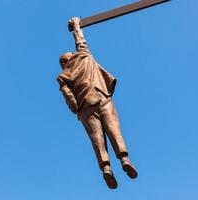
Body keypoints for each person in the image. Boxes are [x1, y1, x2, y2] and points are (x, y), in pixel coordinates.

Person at [57, 17, 138, 189]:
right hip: (102, 97)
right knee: (114, 130)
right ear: (71, 57)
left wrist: (77, 109)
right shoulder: (84, 56)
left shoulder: (63, 76)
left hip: (85, 107)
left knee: (97, 139)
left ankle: (106, 168)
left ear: (63, 64)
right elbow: (81, 40)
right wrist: (76, 26)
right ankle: (124, 159)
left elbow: (68, 96)